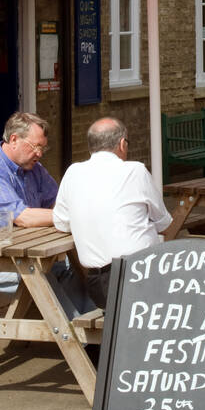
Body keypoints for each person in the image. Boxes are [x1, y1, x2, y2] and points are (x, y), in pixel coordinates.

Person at [0, 111, 91, 317]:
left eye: (43, 147)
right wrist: (74, 217)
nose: (40, 153)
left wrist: (69, 210)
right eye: (35, 147)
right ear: (14, 139)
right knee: (40, 276)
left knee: (67, 268)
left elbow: (58, 203)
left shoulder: (34, 169)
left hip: (12, 251)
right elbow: (22, 217)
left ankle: (95, 330)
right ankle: (78, 341)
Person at [52, 118, 173, 308]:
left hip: (99, 284)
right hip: (142, 275)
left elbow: (61, 223)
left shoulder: (72, 173)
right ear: (122, 144)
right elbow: (164, 222)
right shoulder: (135, 171)